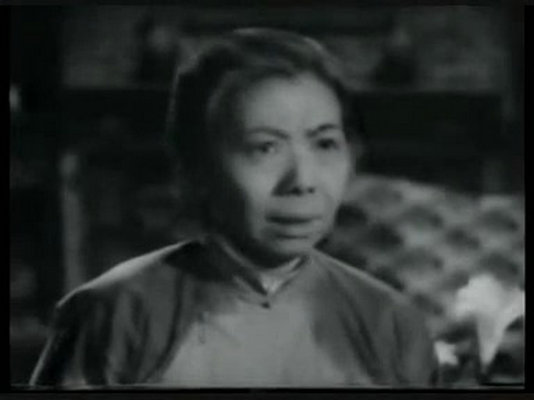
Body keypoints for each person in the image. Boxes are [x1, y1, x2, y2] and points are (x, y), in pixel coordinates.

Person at [30, 28, 438, 388]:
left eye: (325, 143)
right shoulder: (113, 313)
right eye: (265, 148)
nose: (303, 181)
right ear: (198, 167)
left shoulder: (391, 322)